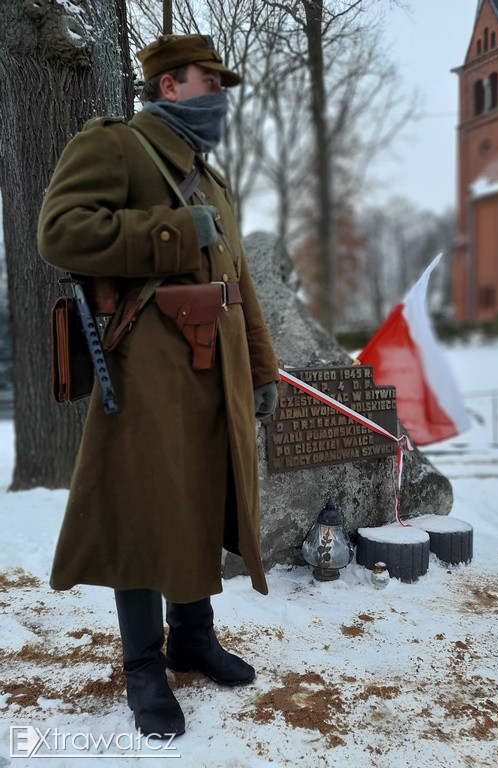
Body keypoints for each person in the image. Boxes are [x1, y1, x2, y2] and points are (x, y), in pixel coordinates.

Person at [37, 34, 279, 739]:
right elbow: (60, 231)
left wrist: (262, 369)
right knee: (146, 511)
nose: (221, 99)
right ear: (171, 86)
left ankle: (193, 640)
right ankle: (145, 666)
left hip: (218, 371)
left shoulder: (214, 175)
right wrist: (171, 233)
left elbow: (241, 284)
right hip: (149, 373)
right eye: (212, 83)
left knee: (199, 503)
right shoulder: (116, 146)